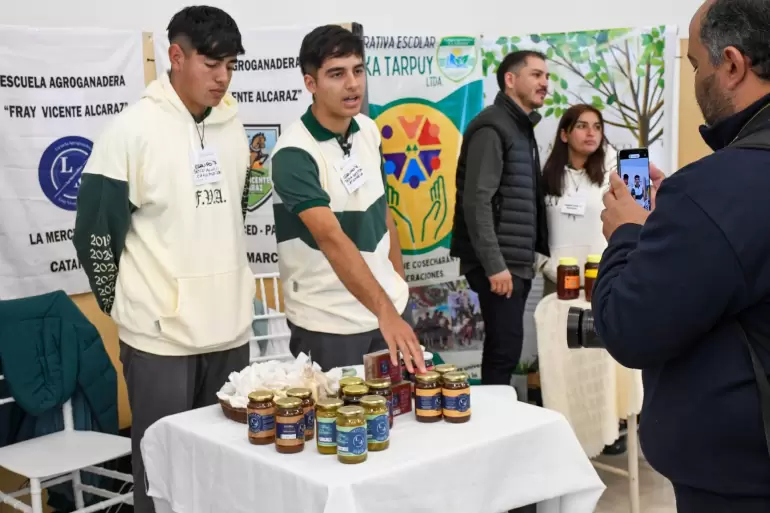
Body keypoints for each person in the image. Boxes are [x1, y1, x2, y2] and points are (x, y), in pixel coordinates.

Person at [72, 7, 252, 512]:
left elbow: (233, 216)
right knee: (162, 476)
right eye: (211, 64)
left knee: (224, 471)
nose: (222, 78)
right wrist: (126, 308)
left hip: (230, 331)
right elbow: (94, 234)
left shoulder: (233, 126)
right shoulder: (132, 131)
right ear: (176, 55)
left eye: (230, 66)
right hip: (159, 339)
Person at [594, 0, 770, 510]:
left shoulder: (715, 189)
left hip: (739, 482)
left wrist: (628, 234)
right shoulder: (712, 196)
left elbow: (629, 326)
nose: (695, 81)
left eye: (696, 65)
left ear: (732, 64)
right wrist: (680, 220)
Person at [269, 25, 425, 374]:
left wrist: (397, 288)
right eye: (337, 74)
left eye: (358, 70)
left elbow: (383, 212)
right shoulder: (294, 153)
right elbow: (331, 239)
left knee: (406, 408)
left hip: (388, 310)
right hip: (329, 323)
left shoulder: (367, 129)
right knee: (340, 411)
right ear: (310, 83)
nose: (353, 84)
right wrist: (385, 310)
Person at [450, 50, 550, 386]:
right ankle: (495, 414)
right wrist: (495, 265)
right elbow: (477, 200)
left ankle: (498, 410)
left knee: (505, 348)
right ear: (510, 79)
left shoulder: (519, 127)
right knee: (504, 351)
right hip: (498, 263)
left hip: (514, 261)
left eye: (546, 77)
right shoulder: (493, 127)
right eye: (536, 75)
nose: (544, 83)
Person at [537, 104, 616, 297]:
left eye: (597, 127)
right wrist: (544, 264)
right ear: (565, 135)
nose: (591, 133)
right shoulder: (547, 177)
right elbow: (534, 226)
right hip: (557, 280)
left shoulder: (614, 176)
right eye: (582, 126)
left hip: (602, 281)